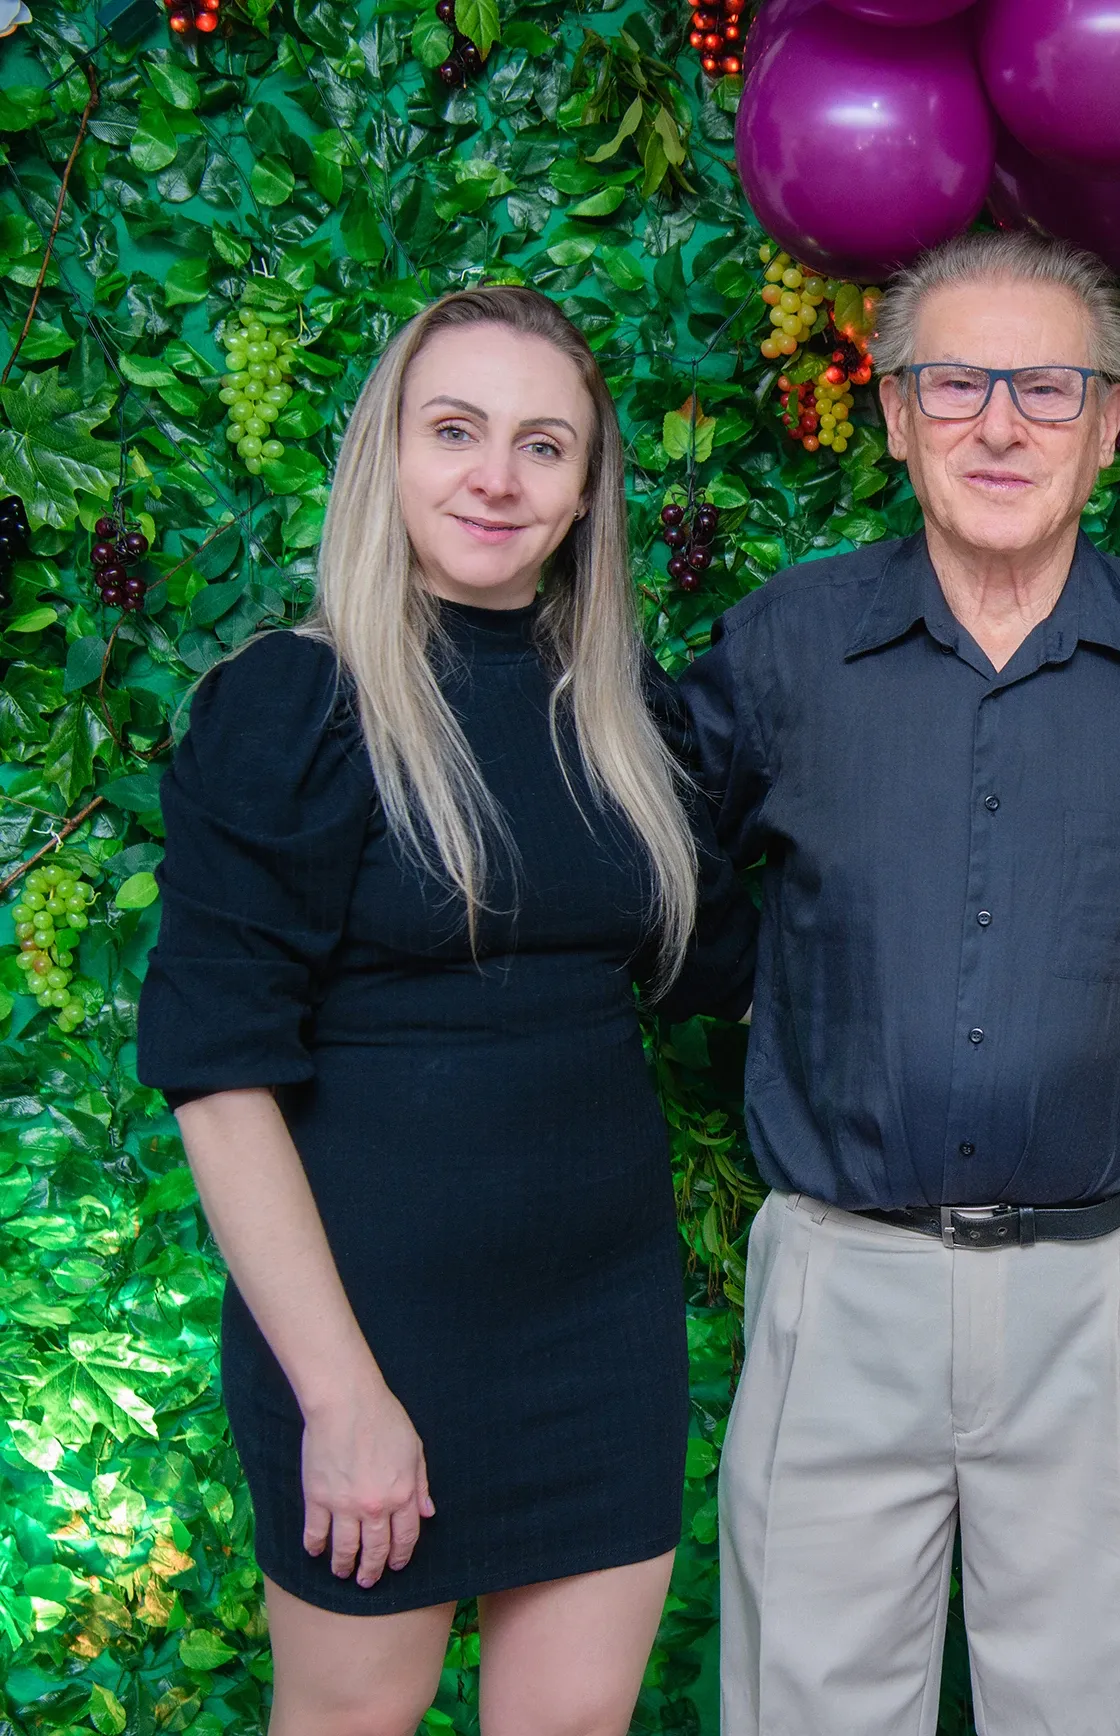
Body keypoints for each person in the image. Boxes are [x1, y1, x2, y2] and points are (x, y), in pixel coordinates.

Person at [682, 230, 1120, 1736]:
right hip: (841, 1277)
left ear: (1105, 423)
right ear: (891, 413)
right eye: (956, 383)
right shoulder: (782, 646)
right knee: (804, 1708)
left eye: (1047, 386)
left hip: (1110, 1291)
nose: (999, 424)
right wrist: (789, 994)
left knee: (1093, 1707)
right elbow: (647, 873)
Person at [136, 287, 755, 1733]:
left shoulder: (621, 711)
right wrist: (342, 1396)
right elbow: (219, 1083)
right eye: (457, 430)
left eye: (545, 446)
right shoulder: (295, 706)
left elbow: (730, 964)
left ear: (588, 487)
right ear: (387, 454)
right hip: (364, 1326)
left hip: (600, 1328)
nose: (496, 476)